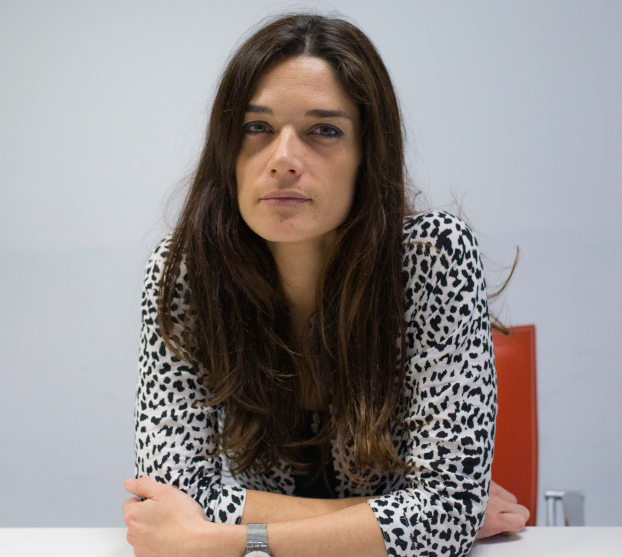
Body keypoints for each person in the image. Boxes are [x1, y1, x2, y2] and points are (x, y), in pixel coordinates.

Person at [122, 13, 528, 557]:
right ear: (227, 150)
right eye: (257, 127)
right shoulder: (188, 272)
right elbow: (170, 498)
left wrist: (235, 538)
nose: (284, 159)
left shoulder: (432, 256)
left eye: (325, 130)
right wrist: (410, 515)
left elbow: (447, 514)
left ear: (368, 156)